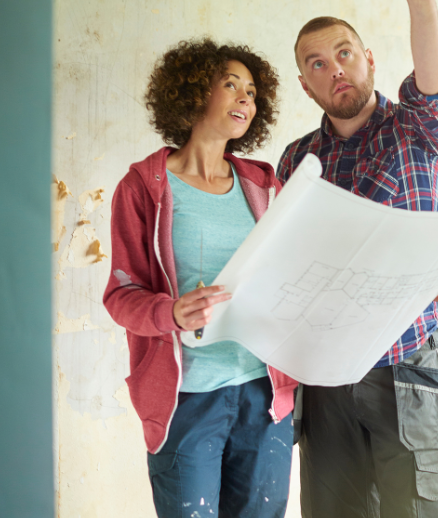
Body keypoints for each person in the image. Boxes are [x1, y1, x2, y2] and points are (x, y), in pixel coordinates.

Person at [276, 0, 438, 517]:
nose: (336, 70)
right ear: (307, 85)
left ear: (369, 58)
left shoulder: (415, 130)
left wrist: (420, 4)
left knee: (417, 510)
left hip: (405, 365)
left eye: (345, 53)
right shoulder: (296, 160)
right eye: (319, 64)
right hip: (325, 372)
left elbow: (434, 86)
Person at [103, 38, 299, 518]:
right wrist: (170, 312)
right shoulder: (142, 188)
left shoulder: (265, 185)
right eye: (230, 85)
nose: (244, 100)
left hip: (266, 395)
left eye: (251, 92)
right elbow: (120, 295)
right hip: (186, 398)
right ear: (192, 94)